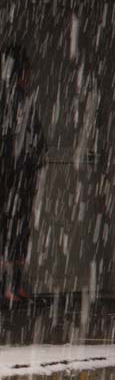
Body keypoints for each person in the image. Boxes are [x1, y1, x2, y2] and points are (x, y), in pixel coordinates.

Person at [0, 44, 44, 304]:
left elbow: (35, 137)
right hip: (13, 174)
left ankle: (13, 285)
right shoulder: (12, 100)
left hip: (18, 174)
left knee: (15, 229)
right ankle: (9, 286)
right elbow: (25, 138)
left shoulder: (20, 100)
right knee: (13, 229)